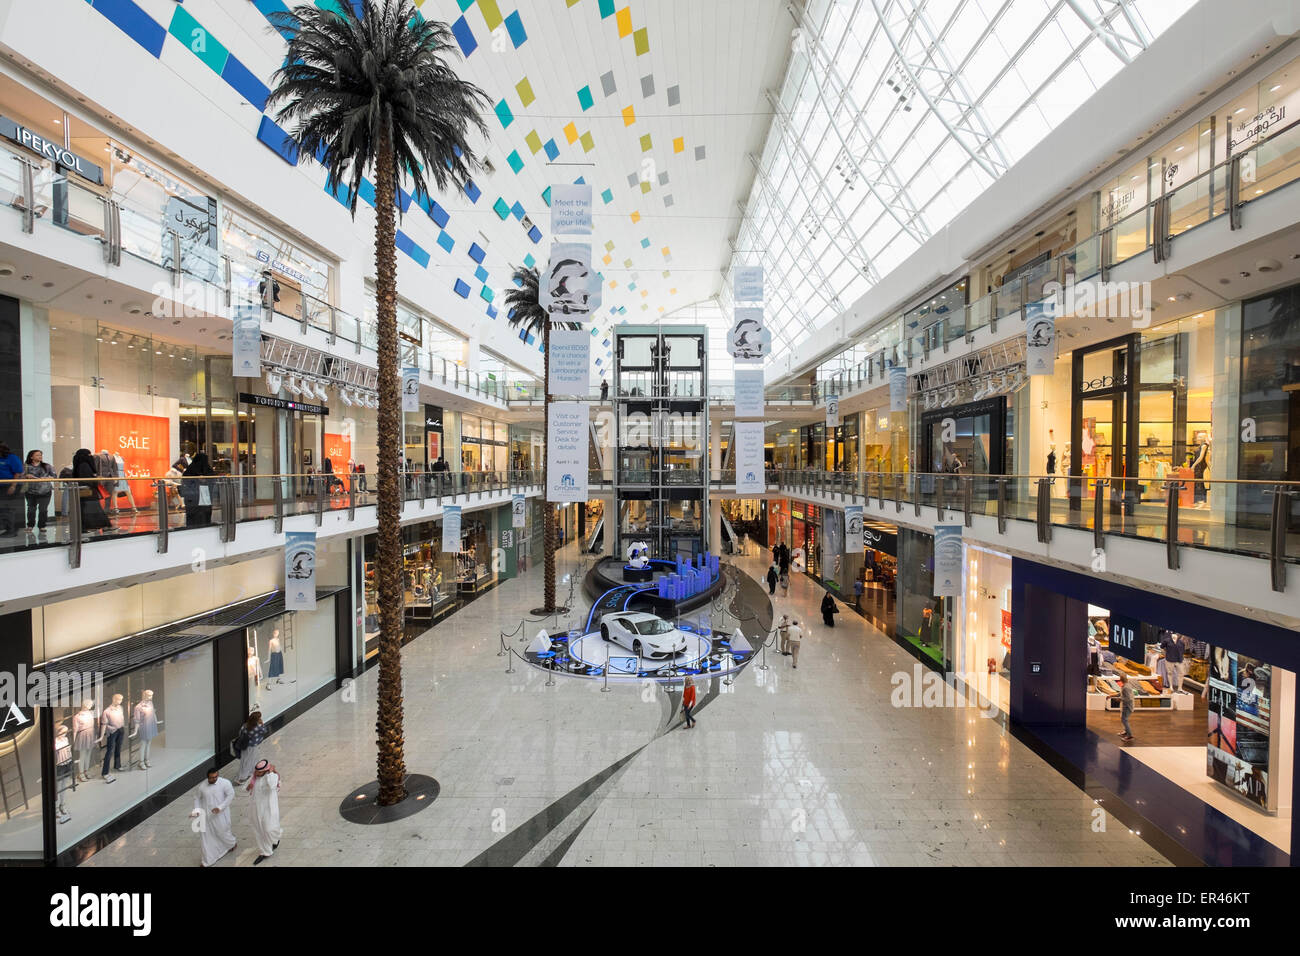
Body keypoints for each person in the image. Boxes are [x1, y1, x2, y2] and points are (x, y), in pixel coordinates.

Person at [190, 769, 237, 867]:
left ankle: (231, 844)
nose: (214, 779)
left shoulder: (225, 783)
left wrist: (220, 807)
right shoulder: (202, 786)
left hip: (221, 814)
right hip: (206, 816)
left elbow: (230, 795)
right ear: (208, 777)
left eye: (216, 776)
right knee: (206, 837)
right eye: (212, 777)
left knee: (222, 832)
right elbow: (197, 798)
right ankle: (208, 860)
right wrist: (197, 810)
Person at [247, 759, 283, 865]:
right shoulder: (254, 778)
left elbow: (272, 785)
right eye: (256, 771)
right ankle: (265, 852)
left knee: (270, 829)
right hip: (256, 809)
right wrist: (249, 786)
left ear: (265, 770)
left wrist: (271, 772)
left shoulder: (273, 776)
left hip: (269, 809)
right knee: (259, 831)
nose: (257, 773)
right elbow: (246, 788)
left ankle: (277, 836)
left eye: (259, 772)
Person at [71, 448, 112, 532]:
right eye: (89, 455)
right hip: (88, 492)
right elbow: (87, 479)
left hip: (84, 491)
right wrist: (96, 479)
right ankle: (98, 526)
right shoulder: (84, 465)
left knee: (88, 509)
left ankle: (89, 527)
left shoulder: (79, 465)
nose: (91, 456)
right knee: (93, 509)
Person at [23, 449, 55, 533]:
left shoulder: (47, 466)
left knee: (43, 510)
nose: (40, 456)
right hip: (30, 492)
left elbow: (54, 476)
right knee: (31, 509)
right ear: (31, 457)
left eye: (40, 455)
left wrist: (49, 478)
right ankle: (30, 525)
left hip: (45, 491)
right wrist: (26, 476)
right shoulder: (26, 466)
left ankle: (42, 526)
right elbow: (20, 476)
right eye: (37, 455)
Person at [180, 452, 215, 527]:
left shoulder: (190, 469)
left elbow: (185, 480)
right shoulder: (208, 469)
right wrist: (203, 480)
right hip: (205, 498)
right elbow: (213, 480)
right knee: (205, 517)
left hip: (192, 499)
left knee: (192, 518)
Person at [234, 711, 268, 785]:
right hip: (253, 747)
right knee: (250, 760)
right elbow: (265, 731)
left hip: (244, 746)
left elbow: (240, 733)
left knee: (245, 760)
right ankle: (241, 778)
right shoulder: (258, 727)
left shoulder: (245, 725)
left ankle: (248, 773)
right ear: (257, 719)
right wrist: (262, 723)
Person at [0, 442, 23, 535]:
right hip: (1, 485)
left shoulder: (12, 458)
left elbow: (17, 473)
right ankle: (5, 527)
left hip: (10, 485)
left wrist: (13, 486)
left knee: (6, 508)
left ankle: (11, 530)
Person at [1118, 673, 1134, 741]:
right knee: (1123, 719)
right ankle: (1126, 731)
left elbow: (1129, 698)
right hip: (1126, 706)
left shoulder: (1126, 687)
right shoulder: (1126, 685)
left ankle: (1129, 735)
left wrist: (1120, 699)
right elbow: (1121, 694)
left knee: (1124, 720)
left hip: (1127, 706)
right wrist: (1111, 695)